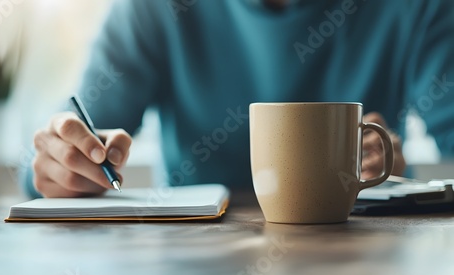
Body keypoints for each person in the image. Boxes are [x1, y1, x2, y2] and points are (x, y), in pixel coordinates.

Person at [23, 0, 454, 198]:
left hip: (365, 255)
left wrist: (391, 179)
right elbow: (65, 150)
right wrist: (60, 161)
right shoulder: (154, 8)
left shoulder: (418, 7)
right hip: (195, 260)